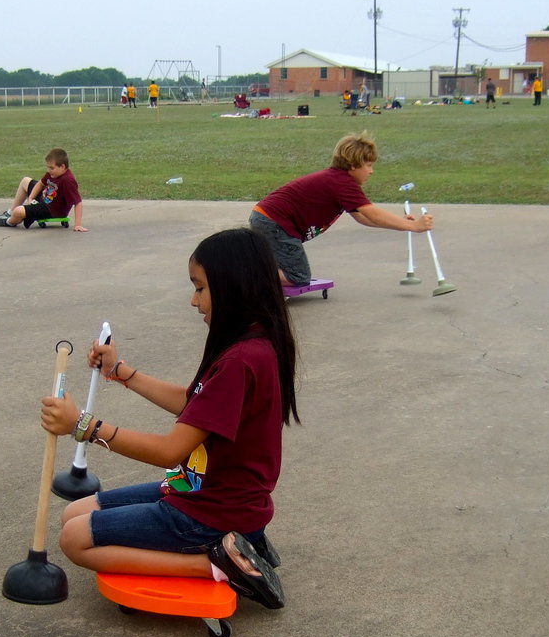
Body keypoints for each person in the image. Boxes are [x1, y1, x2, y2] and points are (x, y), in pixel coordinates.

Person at [38, 227, 296, 609]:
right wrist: (120, 371)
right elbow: (190, 402)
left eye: (200, 288)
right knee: (73, 513)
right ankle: (243, 540)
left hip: (211, 510)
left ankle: (220, 562)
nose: (194, 301)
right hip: (207, 494)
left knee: (73, 540)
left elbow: (169, 451)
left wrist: (84, 426)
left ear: (233, 287)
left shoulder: (241, 360)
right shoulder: (252, 344)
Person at [248, 131, 433, 287]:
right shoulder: (342, 183)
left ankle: (249, 270)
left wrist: (402, 223)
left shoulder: (338, 181)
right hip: (275, 222)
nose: (371, 171)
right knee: (298, 277)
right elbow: (372, 213)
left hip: (270, 219)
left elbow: (363, 218)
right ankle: (243, 276)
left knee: (292, 272)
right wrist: (414, 226)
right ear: (353, 164)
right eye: (368, 165)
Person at [0, 147, 86, 231]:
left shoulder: (68, 180)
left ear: (62, 166)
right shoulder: (53, 173)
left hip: (51, 210)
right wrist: (31, 198)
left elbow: (78, 202)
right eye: (48, 167)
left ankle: (9, 222)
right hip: (45, 199)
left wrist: (77, 225)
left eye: (52, 168)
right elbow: (40, 183)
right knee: (25, 180)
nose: (49, 171)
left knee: (18, 211)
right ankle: (9, 213)